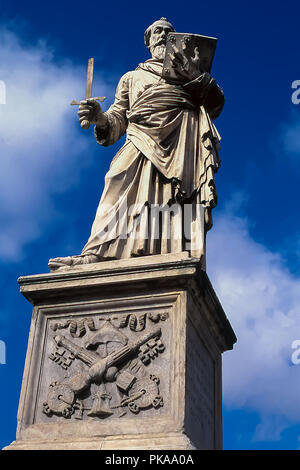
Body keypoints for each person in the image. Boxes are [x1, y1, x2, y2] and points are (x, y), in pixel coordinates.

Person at [49, 18, 224, 272]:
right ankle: (97, 253)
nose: (163, 35)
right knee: (116, 180)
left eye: (168, 32)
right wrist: (99, 117)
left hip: (181, 141)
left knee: (179, 196)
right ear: (148, 41)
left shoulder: (190, 72)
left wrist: (194, 75)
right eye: (157, 31)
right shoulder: (132, 78)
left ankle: (178, 250)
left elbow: (216, 102)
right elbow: (117, 119)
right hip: (140, 138)